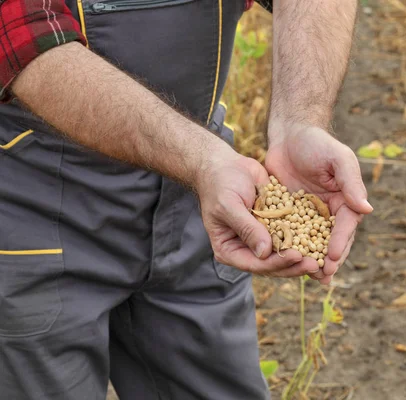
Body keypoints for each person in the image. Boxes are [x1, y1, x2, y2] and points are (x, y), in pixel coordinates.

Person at [0, 0, 372, 398]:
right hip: (37, 206)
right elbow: (27, 41)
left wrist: (300, 120)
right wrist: (200, 159)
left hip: (197, 201)